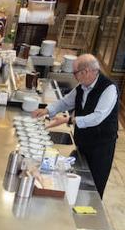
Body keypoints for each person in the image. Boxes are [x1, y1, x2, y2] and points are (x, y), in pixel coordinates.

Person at [32, 53, 118, 198]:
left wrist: (69, 120)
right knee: (77, 179)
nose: (74, 76)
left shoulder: (109, 89)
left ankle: (91, 216)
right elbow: (65, 102)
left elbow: (97, 117)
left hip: (101, 147)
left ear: (86, 72)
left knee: (93, 186)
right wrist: (47, 110)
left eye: (75, 73)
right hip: (83, 141)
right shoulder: (82, 87)